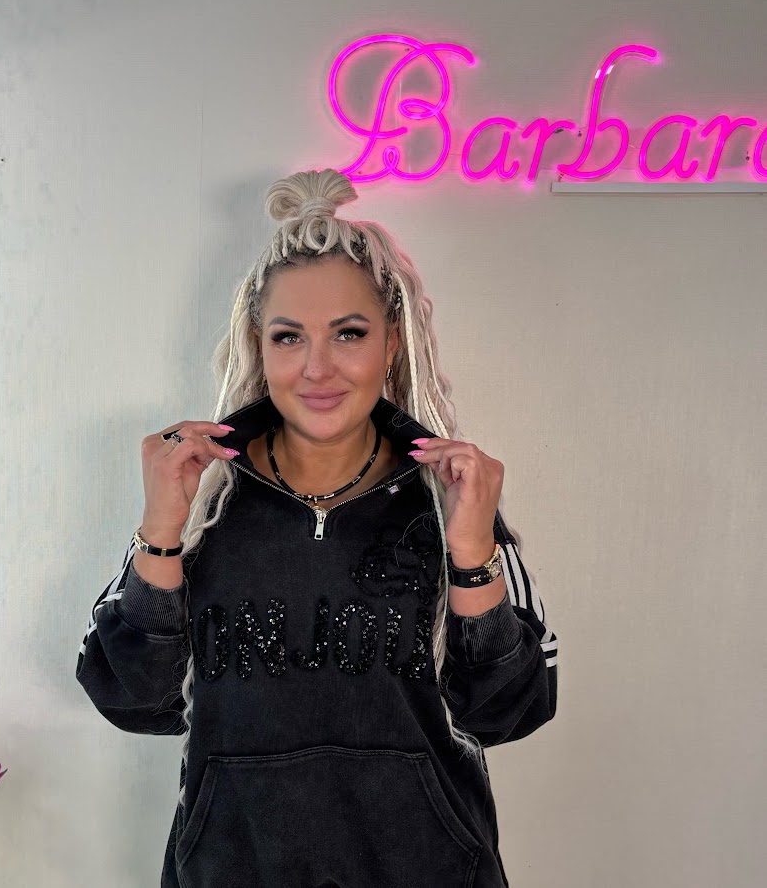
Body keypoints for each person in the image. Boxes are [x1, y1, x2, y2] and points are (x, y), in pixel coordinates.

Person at [76, 168, 558, 888]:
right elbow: (131, 699)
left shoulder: (454, 502)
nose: (317, 367)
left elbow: (507, 712)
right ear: (258, 345)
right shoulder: (200, 507)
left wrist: (469, 552)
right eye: (289, 337)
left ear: (392, 343)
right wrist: (161, 530)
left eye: (349, 334)